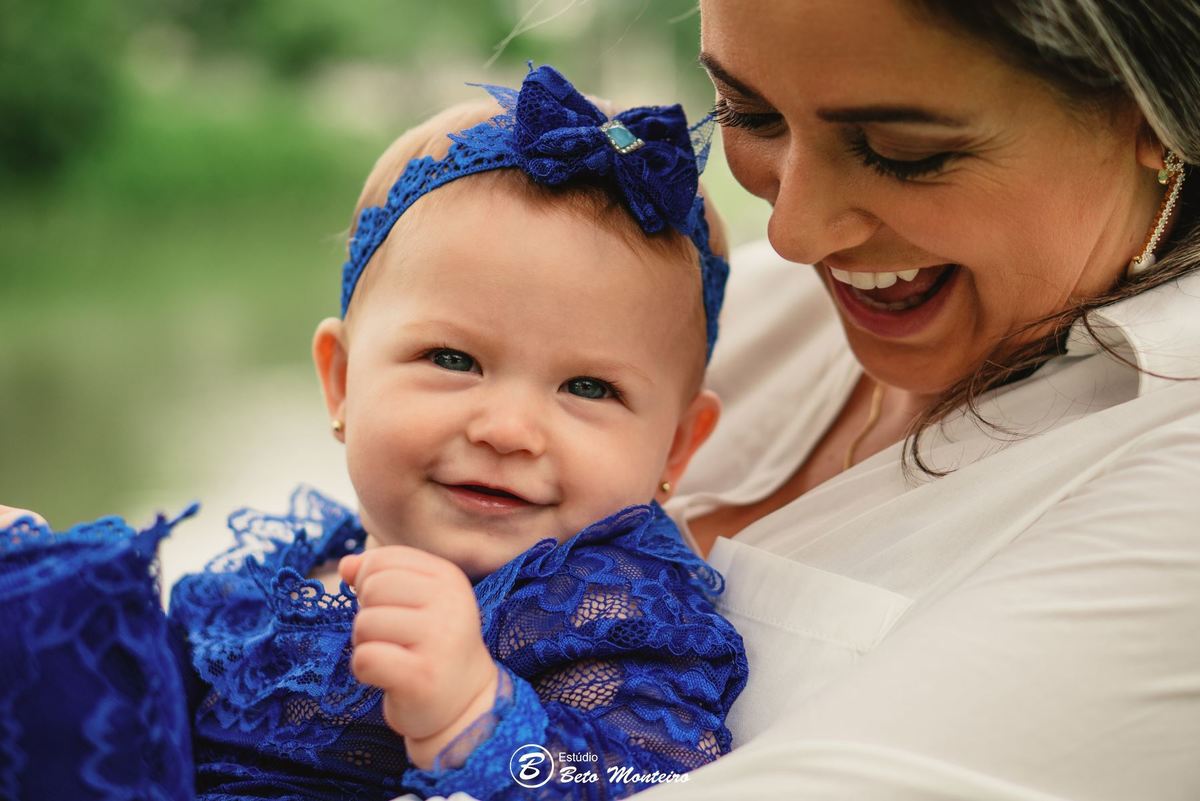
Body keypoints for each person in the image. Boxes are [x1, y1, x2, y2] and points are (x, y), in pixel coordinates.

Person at [0, 65, 747, 800]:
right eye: (453, 359)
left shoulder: (614, 612)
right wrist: (55, 607)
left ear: (676, 446)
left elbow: (649, 776)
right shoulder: (288, 572)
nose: (507, 429)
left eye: (589, 387)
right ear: (341, 382)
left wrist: (475, 717)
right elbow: (145, 723)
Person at [635, 2, 1200, 800]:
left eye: (902, 154)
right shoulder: (722, 316)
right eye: (748, 114)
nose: (795, 232)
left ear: (1157, 108)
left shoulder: (1177, 481)